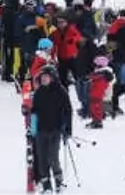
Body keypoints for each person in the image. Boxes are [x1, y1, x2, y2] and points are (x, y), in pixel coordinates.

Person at [30, 65, 74, 193]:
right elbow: (34, 112)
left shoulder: (61, 92)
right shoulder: (38, 92)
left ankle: (59, 182)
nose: (43, 79)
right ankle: (46, 185)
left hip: (55, 130)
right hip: (40, 131)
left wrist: (68, 129)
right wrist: (32, 129)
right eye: (42, 77)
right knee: (42, 159)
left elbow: (68, 111)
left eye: (46, 77)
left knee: (52, 157)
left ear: (53, 78)